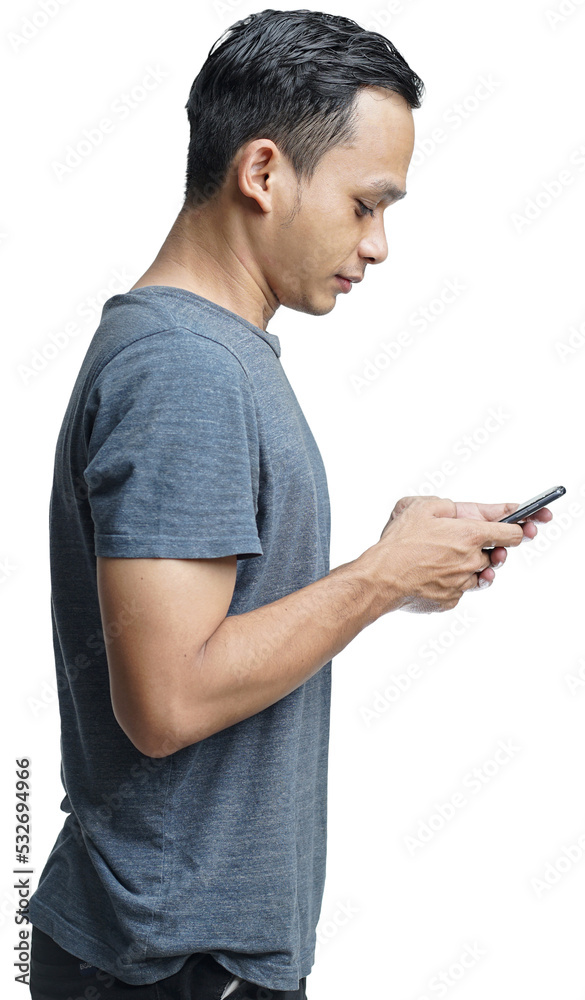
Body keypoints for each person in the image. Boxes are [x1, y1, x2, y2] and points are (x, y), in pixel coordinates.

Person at [28, 9, 552, 1000]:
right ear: (262, 173)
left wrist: (396, 572)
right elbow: (167, 701)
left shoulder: (204, 356)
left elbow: (216, 638)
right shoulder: (187, 370)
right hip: (169, 964)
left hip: (175, 955)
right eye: (365, 204)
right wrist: (375, 576)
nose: (381, 243)